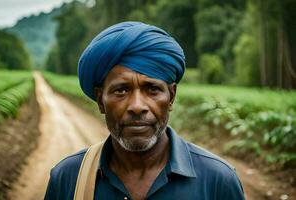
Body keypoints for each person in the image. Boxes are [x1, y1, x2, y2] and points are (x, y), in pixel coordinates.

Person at [44, 21, 245, 200]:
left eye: (152, 89)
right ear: (100, 100)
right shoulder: (67, 179)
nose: (137, 106)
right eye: (121, 90)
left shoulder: (218, 181)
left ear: (171, 96)